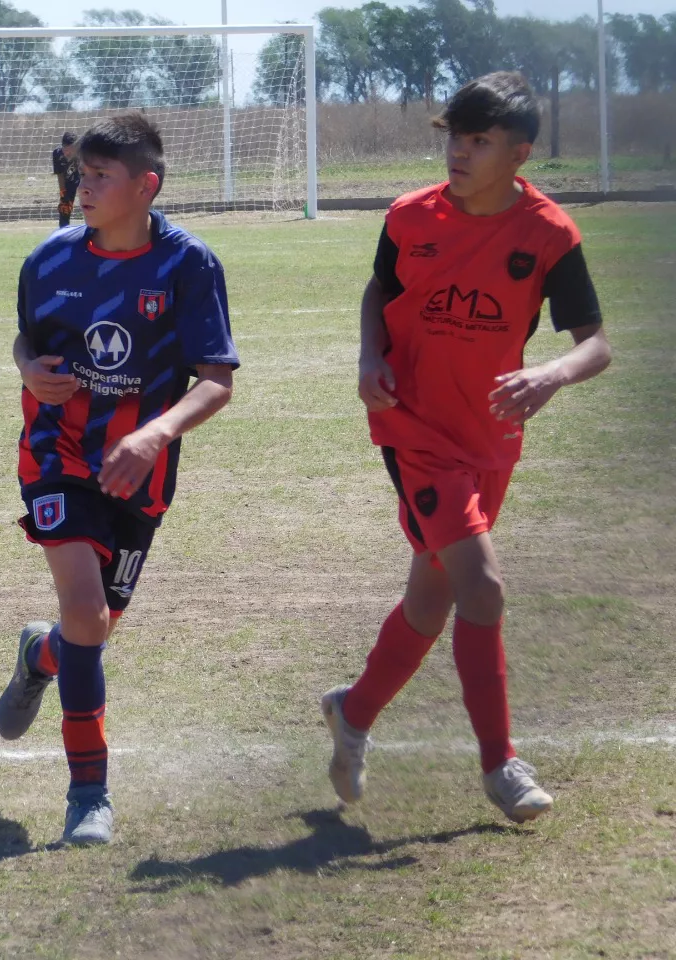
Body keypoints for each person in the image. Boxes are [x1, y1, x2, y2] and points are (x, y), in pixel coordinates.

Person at [321, 72, 612, 823]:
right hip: (414, 429)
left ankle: (352, 713)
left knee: (432, 597)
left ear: (520, 152)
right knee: (481, 586)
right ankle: (500, 765)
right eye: (454, 136)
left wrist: (551, 373)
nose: (459, 151)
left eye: (479, 140)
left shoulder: (549, 235)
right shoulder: (409, 216)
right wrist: (367, 357)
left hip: (491, 435)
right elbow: (376, 295)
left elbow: (595, 345)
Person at [0, 113, 238, 845]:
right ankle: (88, 796)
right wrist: (26, 368)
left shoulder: (188, 265)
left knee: (87, 631)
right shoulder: (49, 261)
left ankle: (40, 655)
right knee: (85, 612)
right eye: (82, 174)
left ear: (146, 186)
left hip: (140, 471)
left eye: (102, 177)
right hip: (57, 455)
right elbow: (27, 341)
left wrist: (155, 430)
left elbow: (217, 380)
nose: (86, 186)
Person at [52, 131, 81, 229]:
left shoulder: (84, 152)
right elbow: (60, 174)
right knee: (65, 207)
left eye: (71, 150)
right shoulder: (57, 153)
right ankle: (63, 232)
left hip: (85, 177)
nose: (67, 153)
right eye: (65, 150)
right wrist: (63, 193)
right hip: (69, 181)